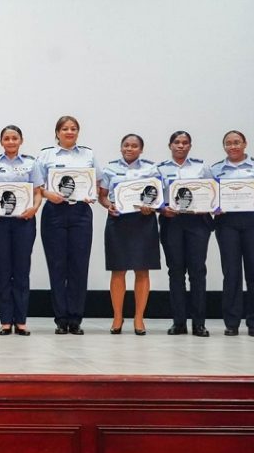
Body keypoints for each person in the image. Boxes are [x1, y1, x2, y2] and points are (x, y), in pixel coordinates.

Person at [33, 115, 100, 335]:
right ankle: (61, 319)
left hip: (81, 213)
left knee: (79, 266)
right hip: (54, 212)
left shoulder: (88, 154)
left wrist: (91, 193)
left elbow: (97, 182)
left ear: (78, 132)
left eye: (73, 128)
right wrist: (47, 194)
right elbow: (37, 185)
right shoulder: (46, 155)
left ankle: (76, 318)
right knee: (57, 266)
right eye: (65, 128)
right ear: (57, 132)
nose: (69, 132)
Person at [98, 133, 161, 335]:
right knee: (118, 270)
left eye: (134, 146)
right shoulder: (110, 169)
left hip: (144, 221)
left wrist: (151, 207)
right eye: (126, 145)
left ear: (141, 149)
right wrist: (109, 205)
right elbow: (102, 196)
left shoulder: (151, 169)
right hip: (118, 221)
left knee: (142, 270)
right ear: (121, 147)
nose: (130, 149)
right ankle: (118, 317)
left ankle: (139, 318)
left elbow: (158, 196)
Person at [211, 130, 254, 337]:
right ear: (224, 146)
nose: (233, 146)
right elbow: (210, 197)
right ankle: (232, 323)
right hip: (226, 223)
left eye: (237, 142)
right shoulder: (215, 169)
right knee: (231, 273)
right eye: (228, 143)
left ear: (245, 144)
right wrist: (213, 206)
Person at [0, 125, 42, 336]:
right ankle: (6, 321)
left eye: (14, 138)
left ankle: (22, 321)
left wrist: (34, 208)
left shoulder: (31, 163)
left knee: (22, 270)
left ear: (21, 140)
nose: (10, 142)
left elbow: (38, 192)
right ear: (1, 141)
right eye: (6, 138)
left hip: (24, 222)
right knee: (3, 269)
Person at [156, 131, 214, 337]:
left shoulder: (202, 167)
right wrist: (162, 209)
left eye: (185, 142)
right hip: (172, 222)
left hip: (197, 223)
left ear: (190, 146)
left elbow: (212, 193)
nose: (180, 146)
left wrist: (210, 206)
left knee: (197, 271)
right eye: (177, 142)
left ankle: (199, 324)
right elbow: (154, 197)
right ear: (170, 145)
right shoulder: (159, 169)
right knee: (176, 272)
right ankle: (179, 322)